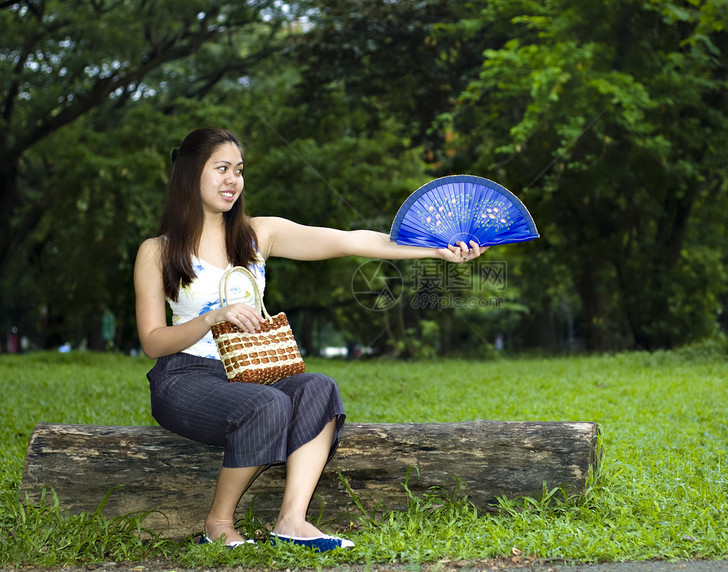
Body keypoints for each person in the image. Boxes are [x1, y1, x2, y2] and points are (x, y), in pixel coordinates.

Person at [134, 127, 486, 551]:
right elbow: (153, 342)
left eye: (239, 170)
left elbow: (349, 240)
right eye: (221, 169)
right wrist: (212, 318)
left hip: (250, 374)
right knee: (268, 404)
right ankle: (218, 521)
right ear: (191, 174)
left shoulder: (257, 234)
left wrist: (435, 248)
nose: (233, 180)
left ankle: (291, 520)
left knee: (319, 388)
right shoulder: (157, 250)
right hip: (184, 378)